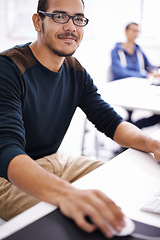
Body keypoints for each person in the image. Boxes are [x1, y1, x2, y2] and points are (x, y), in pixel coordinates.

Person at [0, 1, 160, 238]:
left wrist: (152, 144)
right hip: (8, 177)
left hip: (58, 160)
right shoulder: (9, 68)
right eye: (60, 16)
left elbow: (110, 121)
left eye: (78, 18)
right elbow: (6, 149)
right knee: (86, 220)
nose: (71, 27)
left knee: (127, 184)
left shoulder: (75, 70)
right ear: (37, 21)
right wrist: (66, 194)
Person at [111, 22, 160, 127]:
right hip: (122, 90)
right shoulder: (116, 51)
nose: (136, 34)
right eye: (133, 30)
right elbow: (120, 73)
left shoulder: (139, 50)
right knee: (126, 115)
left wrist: (155, 72)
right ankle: (129, 133)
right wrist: (145, 75)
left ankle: (135, 128)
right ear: (126, 31)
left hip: (138, 89)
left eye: (138, 31)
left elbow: (149, 66)